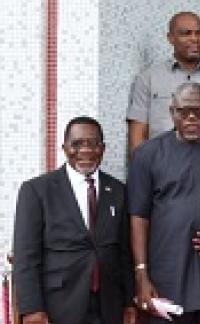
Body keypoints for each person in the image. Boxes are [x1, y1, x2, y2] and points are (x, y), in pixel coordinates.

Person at [128, 82, 200, 323]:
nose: (191, 117)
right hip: (167, 276)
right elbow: (138, 217)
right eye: (183, 111)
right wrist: (141, 273)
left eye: (199, 111)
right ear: (172, 112)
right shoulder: (147, 155)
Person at [14, 117, 135, 324]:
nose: (85, 151)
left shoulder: (118, 190)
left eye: (93, 143)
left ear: (103, 148)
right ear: (64, 148)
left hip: (109, 306)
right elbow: (26, 256)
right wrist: (32, 309)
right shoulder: (36, 190)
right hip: (59, 306)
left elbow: (124, 253)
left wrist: (128, 302)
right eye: (77, 144)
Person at [127, 12, 200, 153]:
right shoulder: (148, 79)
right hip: (163, 166)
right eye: (186, 33)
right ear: (170, 38)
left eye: (199, 33)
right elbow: (137, 135)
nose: (194, 39)